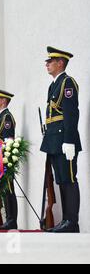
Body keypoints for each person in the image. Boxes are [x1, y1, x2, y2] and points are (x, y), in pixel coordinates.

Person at [41, 46, 81, 233]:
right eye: (47, 61)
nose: (47, 64)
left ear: (61, 63)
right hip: (54, 140)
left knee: (69, 179)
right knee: (61, 180)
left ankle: (72, 222)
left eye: (51, 61)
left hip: (65, 140)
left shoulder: (68, 83)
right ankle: (65, 220)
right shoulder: (53, 85)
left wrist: (70, 140)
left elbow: (71, 114)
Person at [0, 88, 18, 230]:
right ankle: (8, 218)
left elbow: (8, 139)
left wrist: (5, 157)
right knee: (4, 190)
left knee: (9, 189)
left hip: (4, 157)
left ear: (4, 101)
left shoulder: (6, 117)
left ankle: (12, 220)